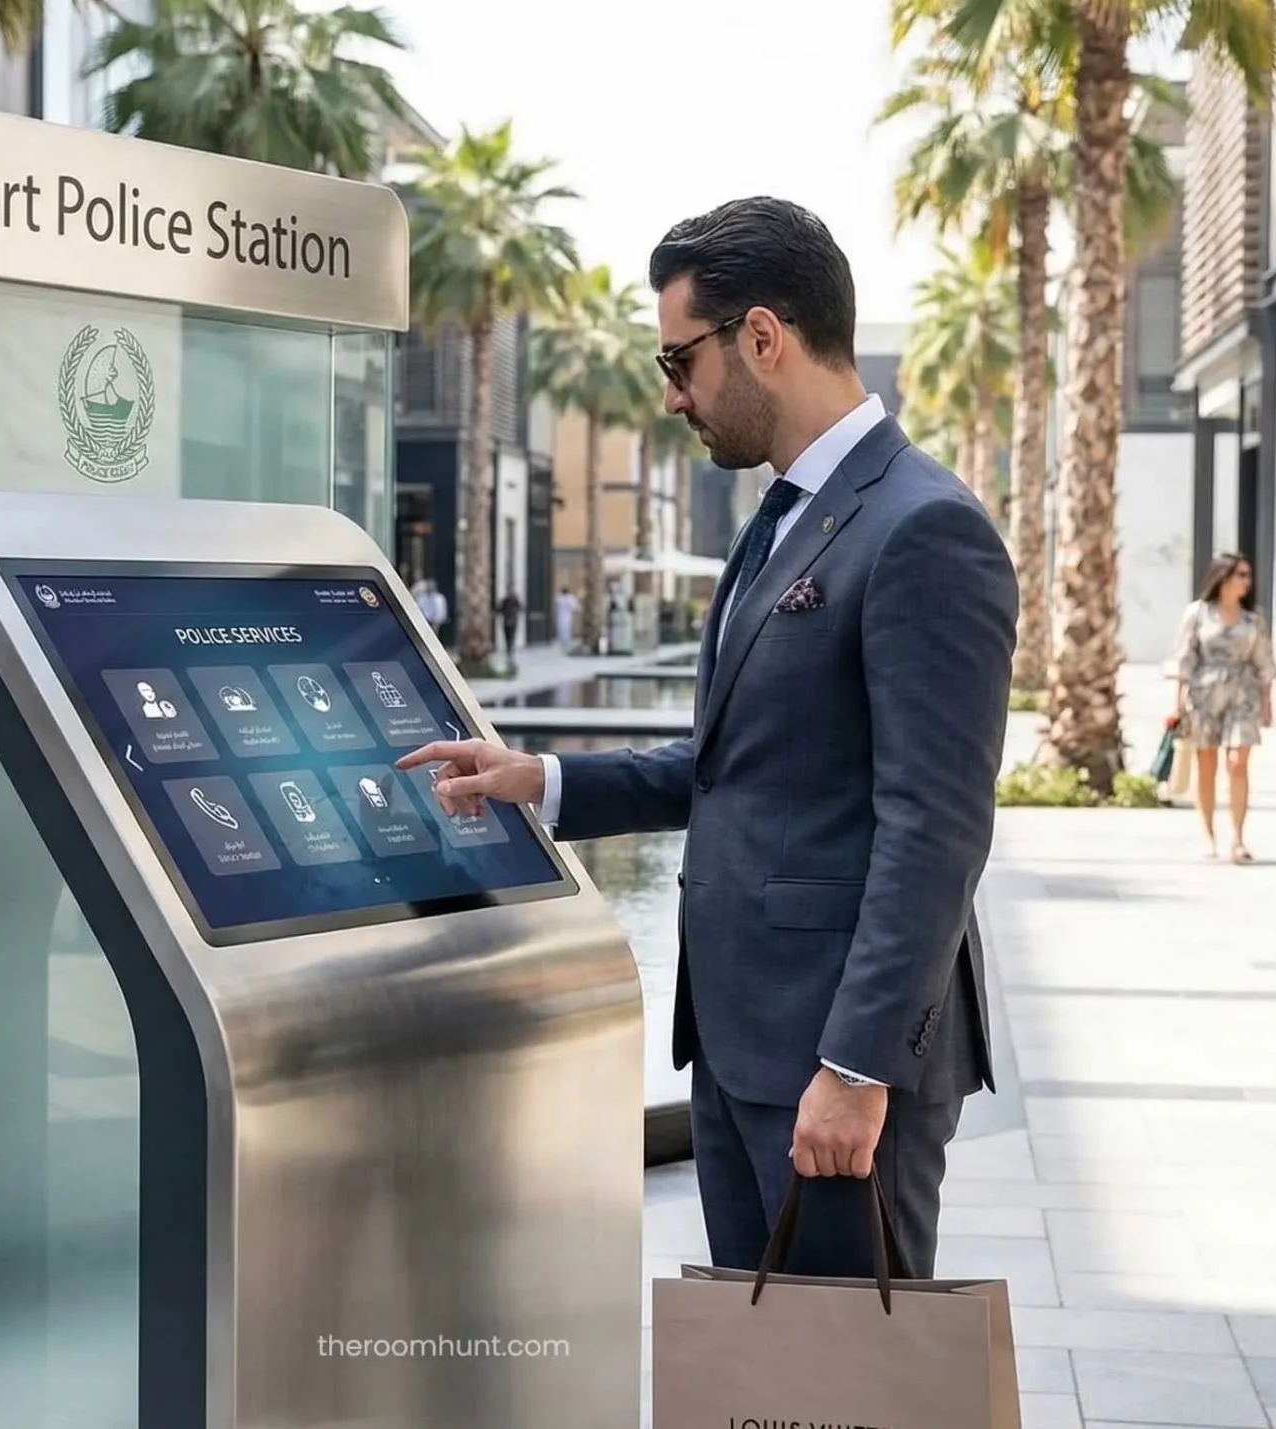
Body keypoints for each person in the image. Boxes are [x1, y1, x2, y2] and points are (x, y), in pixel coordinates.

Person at [399, 197, 1014, 1280]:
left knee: (842, 1365)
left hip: (831, 1065)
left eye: (678, 360)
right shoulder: (780, 519)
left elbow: (936, 830)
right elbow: (739, 763)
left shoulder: (924, 527)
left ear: (762, 337)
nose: (672, 394)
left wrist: (855, 1067)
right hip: (738, 1049)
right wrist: (539, 779)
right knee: (759, 1360)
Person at [1167, 553, 1276, 863]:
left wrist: (1267, 701)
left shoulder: (1252, 619)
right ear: (1224, 578)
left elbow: (1264, 661)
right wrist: (1177, 702)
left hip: (1243, 695)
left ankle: (1238, 838)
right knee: (1207, 764)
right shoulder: (1199, 614)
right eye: (1240, 575)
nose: (1246, 581)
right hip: (1205, 695)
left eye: (1247, 575)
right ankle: (1207, 834)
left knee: (1238, 762)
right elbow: (1184, 657)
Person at [555, 585, 579, 650]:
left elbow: (556, 607)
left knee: (561, 628)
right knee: (567, 628)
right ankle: (566, 641)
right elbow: (574, 607)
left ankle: (563, 641)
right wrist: (576, 612)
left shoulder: (559, 598)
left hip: (561, 615)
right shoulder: (571, 598)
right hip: (568, 615)